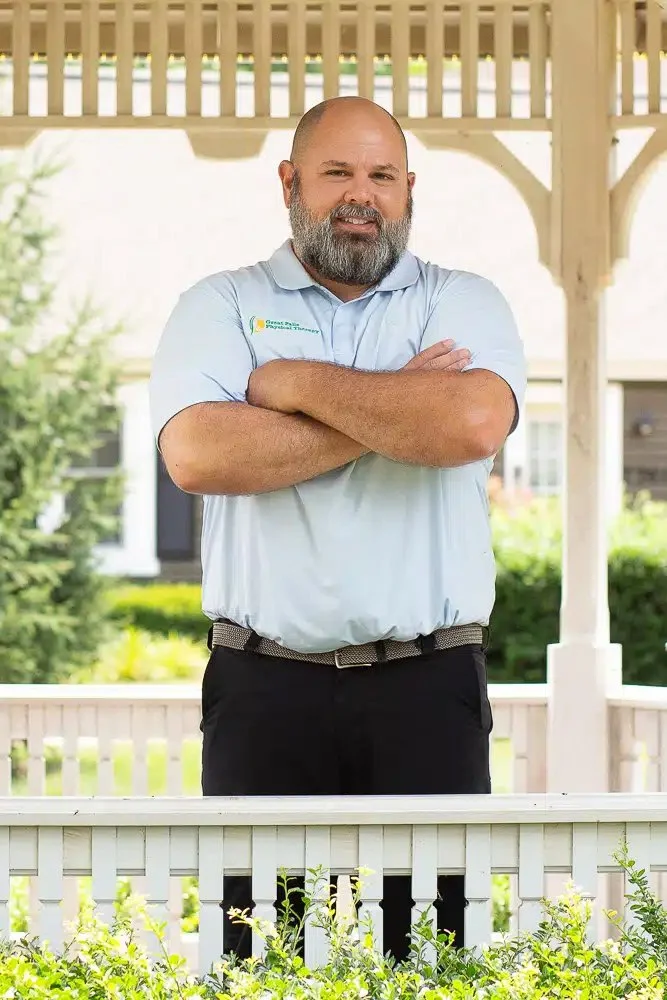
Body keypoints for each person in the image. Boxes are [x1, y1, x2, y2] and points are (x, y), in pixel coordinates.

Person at [149, 96, 526, 962]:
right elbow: (201, 454)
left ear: (407, 191)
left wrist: (283, 380)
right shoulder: (219, 303)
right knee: (257, 963)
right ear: (290, 183)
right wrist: (397, 401)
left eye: (381, 176)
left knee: (432, 961)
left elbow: (467, 426)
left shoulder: (463, 299)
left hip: (427, 686)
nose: (362, 195)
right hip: (262, 687)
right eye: (337, 173)